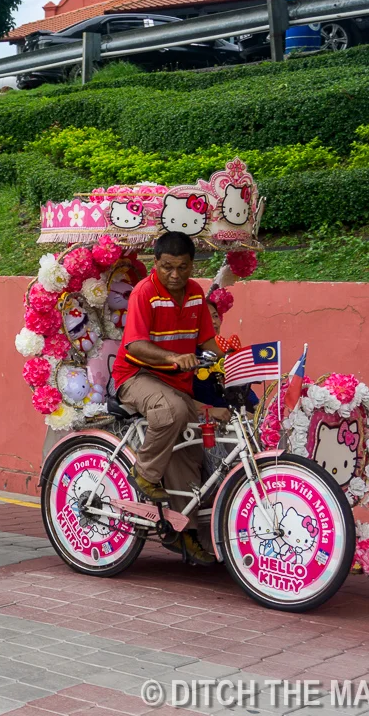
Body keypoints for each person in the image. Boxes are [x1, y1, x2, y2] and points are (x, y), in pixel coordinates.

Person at [111, 232, 227, 566]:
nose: (175, 275)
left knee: (191, 449)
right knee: (172, 411)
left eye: (182, 267)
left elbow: (207, 342)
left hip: (178, 383)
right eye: (167, 267)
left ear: (192, 265)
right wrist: (174, 358)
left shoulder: (195, 293)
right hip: (136, 377)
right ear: (155, 264)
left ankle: (184, 533)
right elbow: (134, 345)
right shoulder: (144, 293)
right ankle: (144, 473)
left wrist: (225, 355)